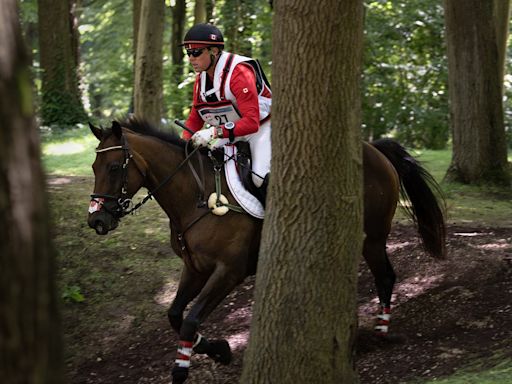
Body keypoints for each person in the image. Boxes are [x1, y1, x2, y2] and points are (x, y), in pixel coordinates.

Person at [180, 23, 271, 206]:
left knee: (259, 177)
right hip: (233, 130)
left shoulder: (239, 73)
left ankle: (271, 221)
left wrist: (214, 132)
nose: (191, 58)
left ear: (213, 51)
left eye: (196, 52)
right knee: (212, 168)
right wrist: (182, 145)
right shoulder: (201, 79)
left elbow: (252, 123)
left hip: (261, 127)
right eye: (188, 53)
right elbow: (195, 118)